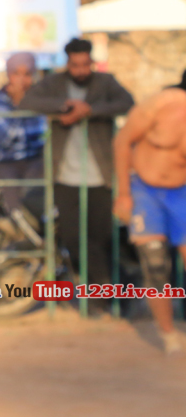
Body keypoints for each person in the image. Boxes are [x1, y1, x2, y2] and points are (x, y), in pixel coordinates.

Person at [21, 37, 134, 293]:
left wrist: (89, 110)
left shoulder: (106, 82)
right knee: (73, 238)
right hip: (65, 177)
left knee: (101, 238)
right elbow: (28, 102)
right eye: (75, 65)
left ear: (91, 62)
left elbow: (127, 103)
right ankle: (101, 288)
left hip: (100, 176)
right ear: (67, 63)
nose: (81, 70)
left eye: (85, 64)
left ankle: (101, 292)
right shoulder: (54, 84)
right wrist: (65, 106)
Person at [112, 71, 186, 353]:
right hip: (146, 190)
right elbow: (122, 141)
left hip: (182, 193)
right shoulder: (161, 105)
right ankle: (168, 334)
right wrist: (124, 193)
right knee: (155, 266)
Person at [0, 52, 46, 215]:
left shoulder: (41, 100)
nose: (22, 80)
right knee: (15, 209)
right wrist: (20, 105)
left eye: (27, 74)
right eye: (16, 74)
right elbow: (5, 138)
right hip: (8, 162)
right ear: (9, 75)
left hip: (36, 161)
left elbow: (44, 133)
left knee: (34, 202)